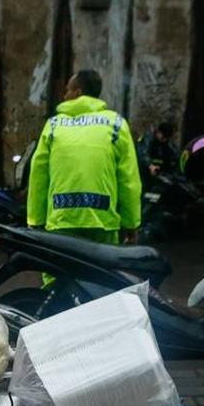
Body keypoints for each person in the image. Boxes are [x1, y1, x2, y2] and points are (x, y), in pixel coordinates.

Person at [26, 69, 143, 265]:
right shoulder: (116, 124)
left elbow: (39, 177)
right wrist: (131, 226)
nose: (64, 96)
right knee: (102, 282)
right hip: (102, 223)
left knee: (57, 279)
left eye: (67, 91)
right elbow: (129, 181)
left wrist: (35, 222)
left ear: (78, 92)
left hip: (61, 221)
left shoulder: (54, 126)